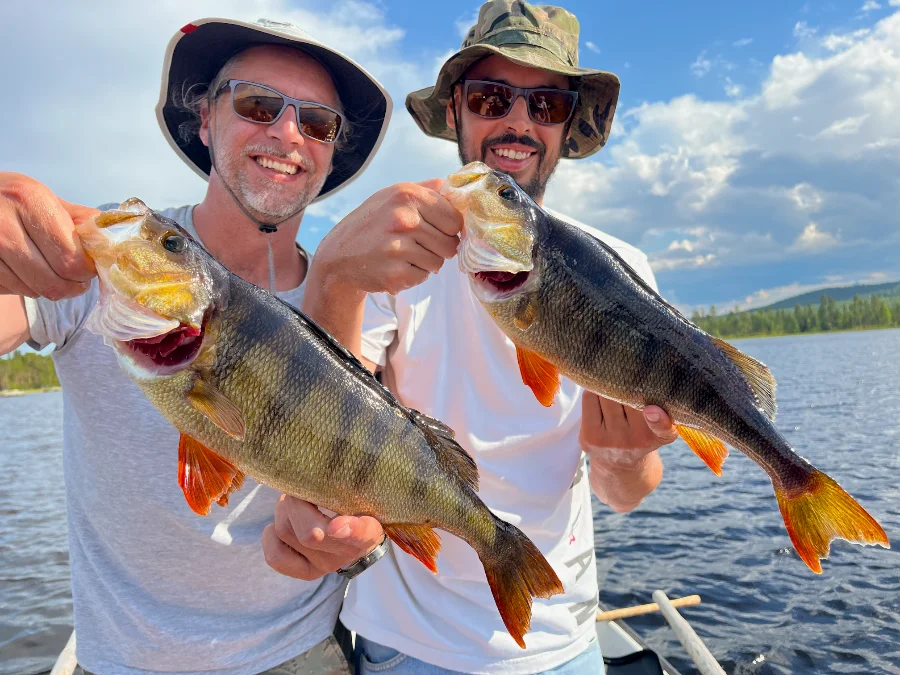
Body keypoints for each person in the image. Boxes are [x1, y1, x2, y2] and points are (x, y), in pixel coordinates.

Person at [278, 2, 681, 673]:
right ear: (457, 113)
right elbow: (325, 424)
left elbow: (628, 492)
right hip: (413, 643)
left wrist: (620, 456)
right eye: (493, 97)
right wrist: (336, 275)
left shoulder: (624, 271)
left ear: (566, 124)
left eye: (546, 103)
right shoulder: (387, 249)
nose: (518, 121)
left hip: (565, 634)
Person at [0, 17, 408, 675]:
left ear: (332, 152)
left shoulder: (361, 302)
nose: (285, 133)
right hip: (119, 659)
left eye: (317, 122)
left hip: (301, 650)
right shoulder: (114, 261)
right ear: (204, 117)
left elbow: (370, 473)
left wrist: (358, 540)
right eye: (257, 104)